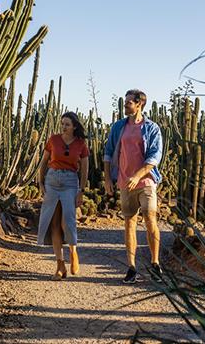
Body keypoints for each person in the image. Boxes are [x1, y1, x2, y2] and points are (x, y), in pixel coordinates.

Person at [103, 89, 163, 283]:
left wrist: (137, 176)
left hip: (146, 181)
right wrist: (107, 179)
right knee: (129, 222)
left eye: (129, 102)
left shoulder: (151, 128)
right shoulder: (118, 127)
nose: (125, 104)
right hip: (124, 181)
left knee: (150, 217)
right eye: (126, 101)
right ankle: (131, 267)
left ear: (140, 104)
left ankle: (155, 263)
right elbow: (108, 152)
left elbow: (154, 157)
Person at [36, 111, 90, 280]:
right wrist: (41, 183)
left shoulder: (81, 144)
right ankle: (60, 265)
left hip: (70, 182)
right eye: (62, 124)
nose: (64, 127)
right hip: (52, 180)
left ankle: (73, 251)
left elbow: (85, 169)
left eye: (67, 124)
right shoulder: (53, 140)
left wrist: (81, 190)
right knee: (53, 223)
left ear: (74, 126)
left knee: (67, 221)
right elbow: (44, 161)